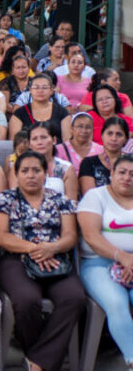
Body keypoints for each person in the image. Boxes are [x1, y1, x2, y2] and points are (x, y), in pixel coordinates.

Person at [0, 150, 85, 371]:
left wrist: (52, 248)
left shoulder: (60, 200)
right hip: (17, 259)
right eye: (25, 171)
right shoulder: (4, 200)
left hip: (56, 258)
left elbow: (70, 236)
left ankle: (36, 362)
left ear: (46, 173)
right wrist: (36, 249)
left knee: (74, 298)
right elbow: (1, 237)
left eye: (36, 170)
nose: (31, 175)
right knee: (26, 301)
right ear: (16, 174)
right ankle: (44, 359)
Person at [77, 154, 133, 368]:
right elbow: (91, 237)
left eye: (132, 174)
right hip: (98, 263)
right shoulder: (96, 196)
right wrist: (122, 257)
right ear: (111, 174)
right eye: (122, 172)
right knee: (117, 303)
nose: (127, 177)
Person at [79, 117, 129, 194]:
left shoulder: (130, 163)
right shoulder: (89, 163)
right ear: (102, 135)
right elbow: (90, 196)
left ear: (126, 139)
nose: (114, 138)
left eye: (119, 134)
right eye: (110, 133)